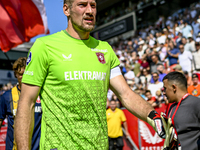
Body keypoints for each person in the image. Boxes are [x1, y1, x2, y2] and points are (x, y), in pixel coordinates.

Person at [14, 0, 166, 149]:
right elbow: (26, 103)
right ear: (66, 10)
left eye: (93, 5)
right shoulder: (45, 46)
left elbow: (126, 94)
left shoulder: (105, 49)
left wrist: (153, 116)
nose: (89, 11)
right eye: (82, 5)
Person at [0, 57, 42, 150]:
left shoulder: (41, 94)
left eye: (26, 74)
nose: (24, 77)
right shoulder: (7, 96)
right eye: (20, 74)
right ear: (15, 74)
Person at [162, 72, 200, 149]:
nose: (164, 93)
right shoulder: (172, 107)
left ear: (174, 87)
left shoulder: (197, 103)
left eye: (165, 88)